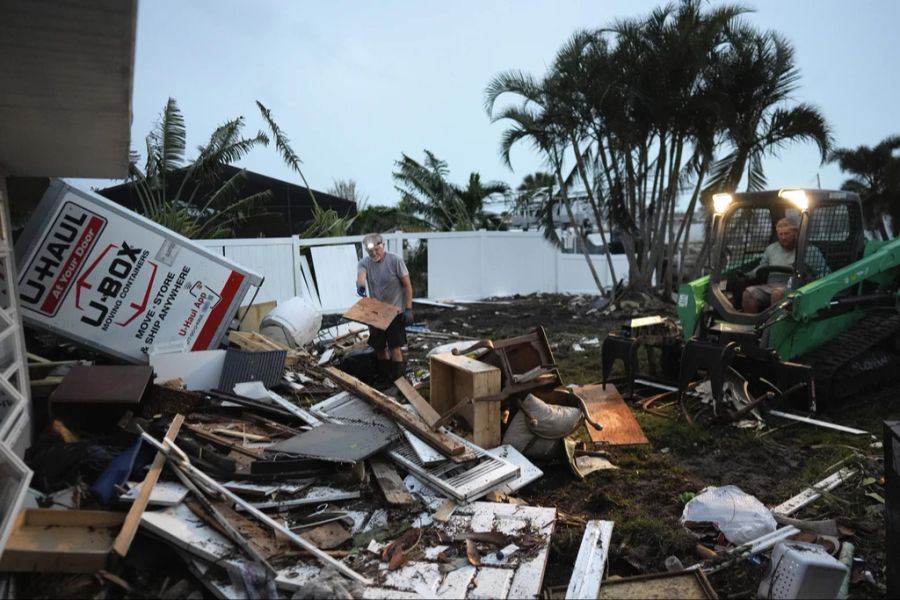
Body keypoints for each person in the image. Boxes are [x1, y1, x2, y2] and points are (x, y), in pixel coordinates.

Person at [356, 233, 414, 384]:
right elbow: (361, 276)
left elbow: (407, 285)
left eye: (377, 250)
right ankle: (386, 378)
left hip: (395, 311)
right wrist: (360, 285)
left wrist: (408, 309)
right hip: (376, 313)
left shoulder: (395, 260)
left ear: (383, 245)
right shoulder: (364, 263)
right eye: (371, 252)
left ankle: (400, 380)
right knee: (379, 348)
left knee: (395, 348)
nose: (374, 254)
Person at [742, 216, 828, 313]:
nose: (783, 237)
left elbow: (823, 272)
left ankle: (775, 326)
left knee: (777, 294)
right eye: (780, 234)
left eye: (787, 234)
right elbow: (762, 267)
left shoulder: (809, 250)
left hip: (795, 287)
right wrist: (748, 275)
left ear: (795, 233)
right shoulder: (771, 249)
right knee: (748, 293)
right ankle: (752, 325)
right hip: (771, 285)